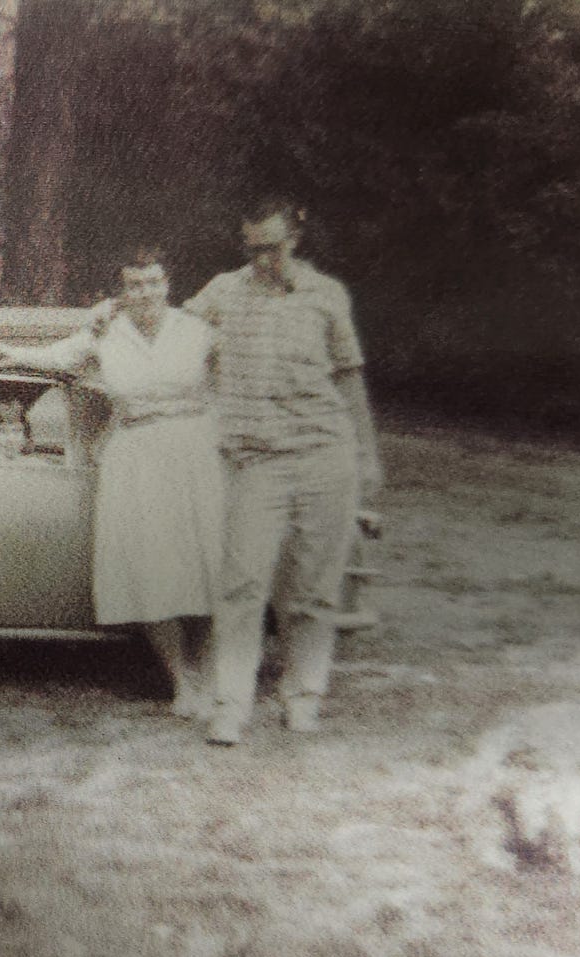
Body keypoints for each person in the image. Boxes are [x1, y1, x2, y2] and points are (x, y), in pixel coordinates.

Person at [0, 245, 224, 722]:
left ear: (167, 285)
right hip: (135, 455)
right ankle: (182, 681)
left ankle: (212, 676)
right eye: (135, 285)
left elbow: (241, 371)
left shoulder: (197, 329)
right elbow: (56, 357)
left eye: (153, 282)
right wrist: (11, 352)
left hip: (197, 452)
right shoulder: (104, 332)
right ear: (122, 291)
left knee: (206, 565)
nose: (146, 292)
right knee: (151, 568)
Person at [182, 197, 382, 744]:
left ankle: (304, 696)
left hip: (324, 455)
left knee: (314, 590)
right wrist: (110, 315)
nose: (261, 258)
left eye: (271, 247)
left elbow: (349, 377)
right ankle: (231, 703)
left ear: (295, 239)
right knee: (242, 585)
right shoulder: (224, 291)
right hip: (256, 459)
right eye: (252, 248)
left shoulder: (326, 296)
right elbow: (171, 333)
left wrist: (366, 457)